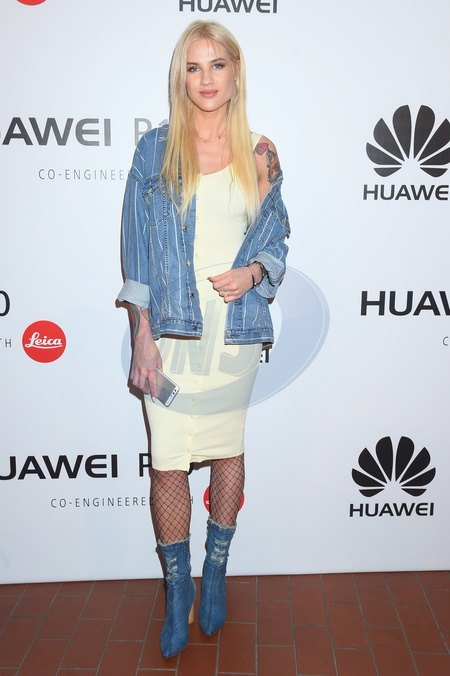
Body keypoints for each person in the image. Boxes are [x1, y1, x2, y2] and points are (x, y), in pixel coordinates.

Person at [118, 20, 290, 659]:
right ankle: (177, 591)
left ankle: (214, 573)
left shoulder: (262, 153)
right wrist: (141, 335)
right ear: (180, 76)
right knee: (168, 461)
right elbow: (136, 249)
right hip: (170, 329)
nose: (207, 78)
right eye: (194, 67)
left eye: (218, 65)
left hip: (235, 331)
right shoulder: (155, 150)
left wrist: (254, 273)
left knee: (226, 449)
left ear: (236, 71)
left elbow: (276, 237)